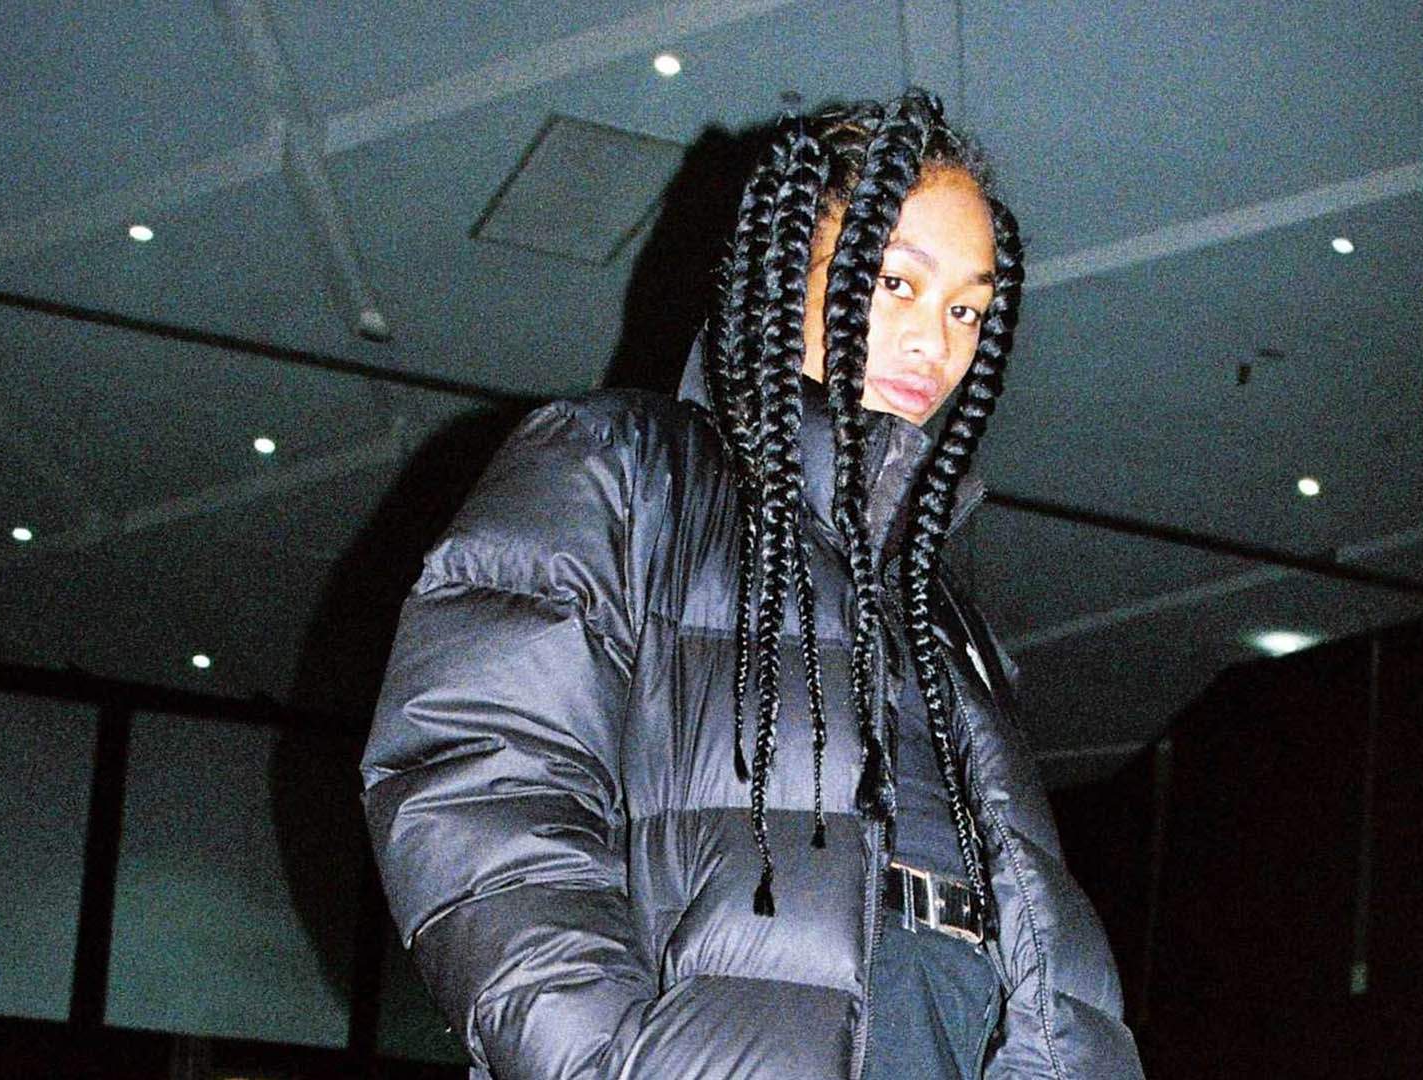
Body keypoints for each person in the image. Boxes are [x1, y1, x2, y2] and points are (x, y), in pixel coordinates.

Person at [359, 89, 1145, 1080]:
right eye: (895, 282)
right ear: (784, 276)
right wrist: (616, 1064)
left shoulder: (937, 604)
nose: (936, 342)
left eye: (965, 310)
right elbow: (477, 785)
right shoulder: (619, 465)